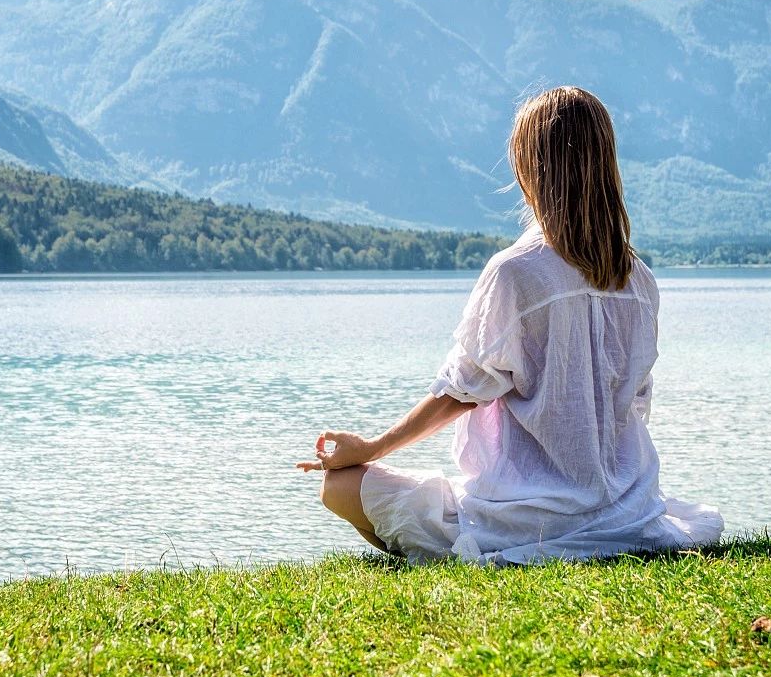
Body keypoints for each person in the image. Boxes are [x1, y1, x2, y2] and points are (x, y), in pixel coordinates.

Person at [297, 86, 723, 564]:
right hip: (628, 509)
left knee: (339, 487)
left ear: (528, 169)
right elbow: (635, 404)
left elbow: (460, 392)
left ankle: (444, 553)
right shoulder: (639, 280)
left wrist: (371, 446)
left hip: (532, 518)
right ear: (606, 166)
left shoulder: (516, 271)